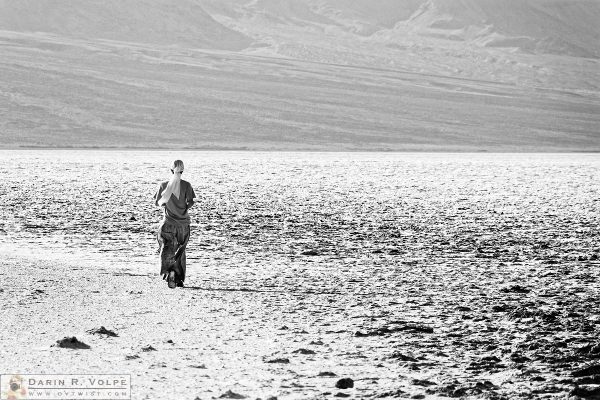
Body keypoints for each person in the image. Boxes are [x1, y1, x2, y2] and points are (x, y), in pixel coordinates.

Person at [154, 160, 195, 289]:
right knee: (181, 250)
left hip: (168, 223)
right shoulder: (186, 185)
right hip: (183, 224)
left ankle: (168, 271)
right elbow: (191, 202)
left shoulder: (163, 185)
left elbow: (157, 203)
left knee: (166, 248)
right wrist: (184, 209)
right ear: (182, 171)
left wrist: (168, 205)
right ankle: (179, 278)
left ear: (171, 170)